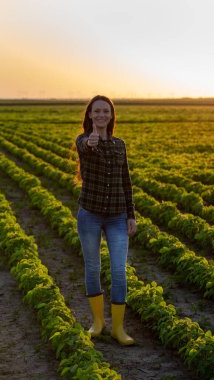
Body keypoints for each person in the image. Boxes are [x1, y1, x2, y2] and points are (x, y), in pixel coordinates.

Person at [75, 95, 136, 345]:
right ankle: (98, 322)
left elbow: (125, 181)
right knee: (93, 267)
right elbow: (85, 147)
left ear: (111, 116)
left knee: (119, 270)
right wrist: (91, 143)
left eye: (106, 112)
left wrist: (131, 215)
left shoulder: (120, 145)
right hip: (90, 214)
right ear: (90, 115)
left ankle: (118, 328)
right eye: (96, 111)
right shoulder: (83, 140)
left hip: (117, 215)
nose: (101, 115)